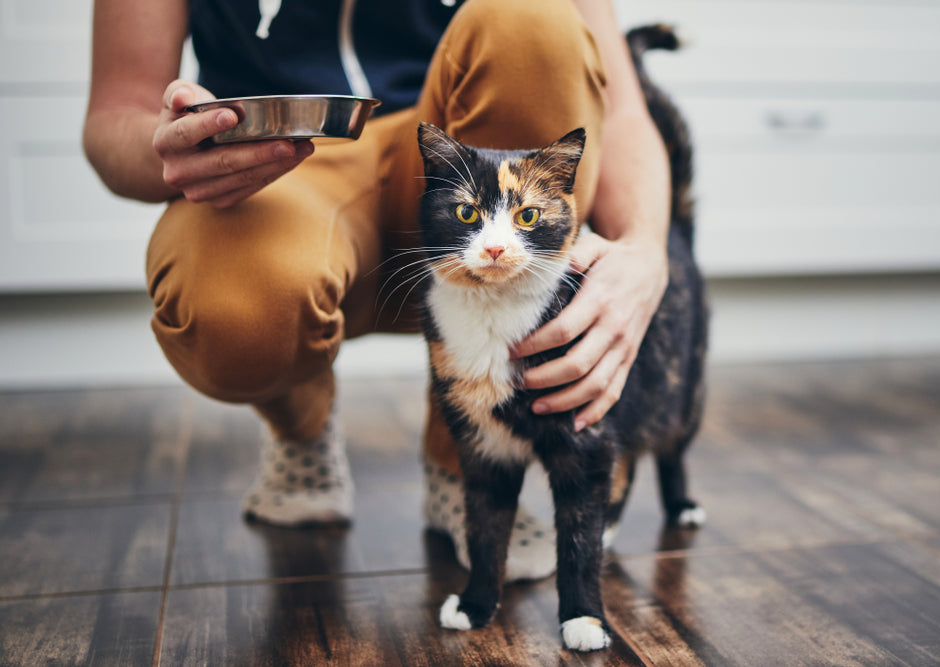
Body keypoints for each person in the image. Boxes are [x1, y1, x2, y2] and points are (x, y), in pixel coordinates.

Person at [84, 0, 670, 580]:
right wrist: (172, 145)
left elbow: (618, 110)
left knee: (534, 19)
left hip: (465, 151)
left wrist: (645, 248)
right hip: (278, 160)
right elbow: (116, 115)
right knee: (234, 317)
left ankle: (467, 463)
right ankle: (301, 426)